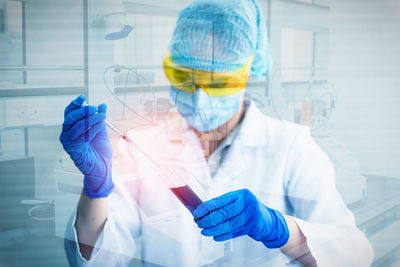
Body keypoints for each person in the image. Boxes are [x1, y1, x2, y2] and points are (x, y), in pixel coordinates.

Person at [60, 0, 373, 266]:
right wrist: (93, 191)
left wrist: (280, 230)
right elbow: (95, 257)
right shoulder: (145, 147)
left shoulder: (290, 146)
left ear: (249, 72)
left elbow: (356, 253)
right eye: (183, 77)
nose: (199, 96)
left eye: (218, 81)